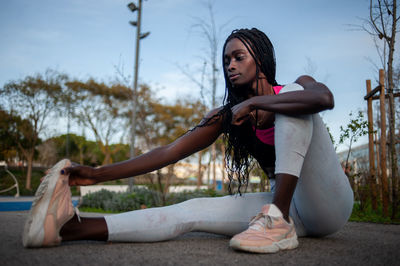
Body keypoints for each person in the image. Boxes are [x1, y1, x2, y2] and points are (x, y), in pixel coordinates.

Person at [22, 28, 353, 253]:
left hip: (328, 204)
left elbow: (324, 99)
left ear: (261, 58)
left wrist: (256, 103)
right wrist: (96, 174)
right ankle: (68, 229)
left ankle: (277, 220)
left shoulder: (293, 88)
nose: (231, 66)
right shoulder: (228, 115)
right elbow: (169, 152)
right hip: (288, 211)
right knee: (191, 209)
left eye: (239, 57)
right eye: (226, 61)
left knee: (295, 97)